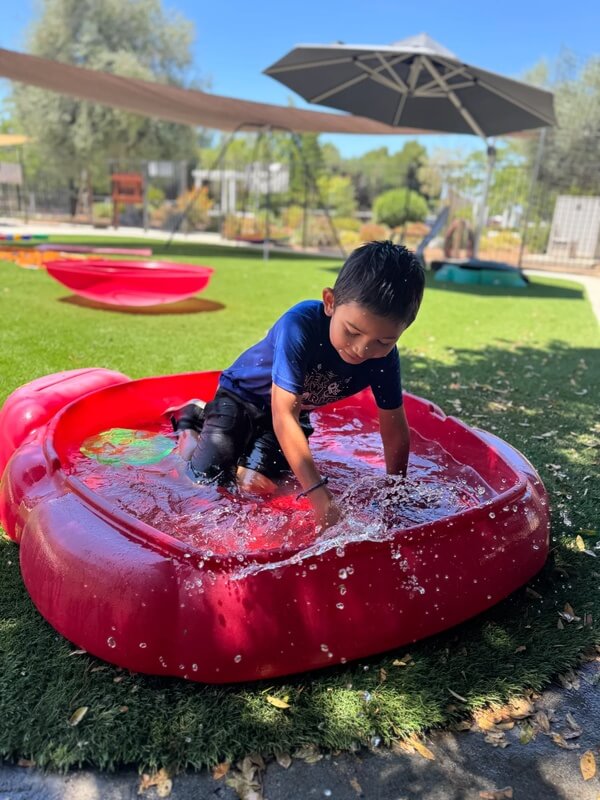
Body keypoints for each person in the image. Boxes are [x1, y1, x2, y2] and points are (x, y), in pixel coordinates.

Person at [173, 240, 425, 530]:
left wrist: (396, 490)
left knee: (255, 486)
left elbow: (394, 428)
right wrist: (319, 495)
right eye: (352, 332)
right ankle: (191, 420)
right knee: (203, 480)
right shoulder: (300, 325)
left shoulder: (385, 360)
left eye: (384, 341)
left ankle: (239, 449)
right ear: (330, 302)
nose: (362, 350)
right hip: (240, 398)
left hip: (291, 412)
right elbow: (283, 415)